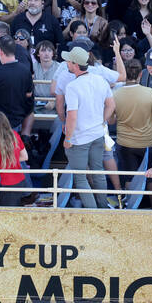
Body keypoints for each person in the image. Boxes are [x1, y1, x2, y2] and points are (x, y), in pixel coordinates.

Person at [61, 45, 114, 208]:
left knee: (81, 178)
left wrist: (68, 139)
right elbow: (111, 105)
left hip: (79, 139)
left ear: (75, 64)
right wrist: (101, 121)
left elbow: (72, 116)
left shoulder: (72, 87)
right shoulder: (100, 80)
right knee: (98, 173)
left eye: (68, 61)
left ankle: (93, 213)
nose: (66, 64)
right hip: (97, 135)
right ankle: (102, 208)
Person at [0, 111, 30, 206]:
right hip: (20, 180)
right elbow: (25, 157)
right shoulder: (14, 135)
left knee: (9, 213)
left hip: (8, 184)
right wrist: (10, 160)